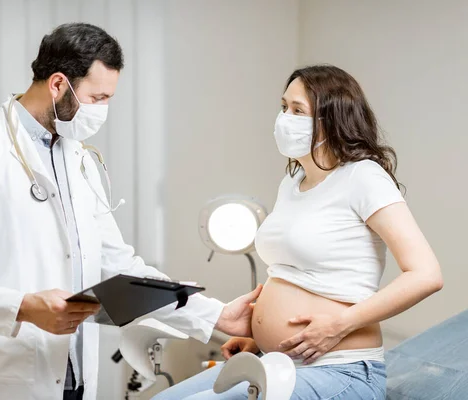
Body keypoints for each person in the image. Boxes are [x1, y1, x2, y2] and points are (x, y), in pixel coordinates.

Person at [0, 23, 262, 400]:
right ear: (58, 84)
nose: (103, 110)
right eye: (97, 97)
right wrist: (22, 307)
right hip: (8, 377)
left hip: (76, 376)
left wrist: (217, 316)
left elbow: (118, 266)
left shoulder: (79, 157)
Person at [152, 65, 444, 400]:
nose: (284, 118)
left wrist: (339, 325)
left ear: (331, 119)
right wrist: (260, 337)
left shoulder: (363, 177)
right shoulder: (292, 182)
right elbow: (295, 272)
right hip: (275, 361)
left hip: (341, 369)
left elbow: (426, 275)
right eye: (283, 107)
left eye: (297, 110)